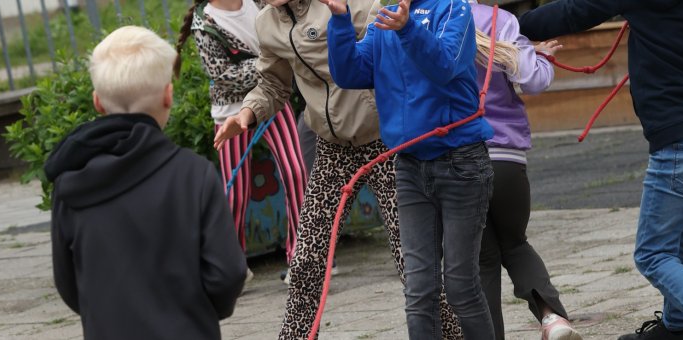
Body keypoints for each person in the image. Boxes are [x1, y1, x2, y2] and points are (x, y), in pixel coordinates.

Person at [213, 0, 464, 338]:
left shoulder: (353, 4)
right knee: (306, 261)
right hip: (332, 147)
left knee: (412, 261)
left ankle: (453, 334)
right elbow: (273, 83)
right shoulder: (267, 23)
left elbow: (392, 54)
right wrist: (247, 113)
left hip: (383, 141)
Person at [44, 26, 247, 340]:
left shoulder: (70, 181)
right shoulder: (194, 174)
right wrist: (199, 311)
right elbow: (228, 272)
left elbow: (68, 281)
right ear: (168, 95)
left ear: (98, 102)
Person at [325, 0, 496, 338]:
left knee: (461, 286)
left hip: (462, 163)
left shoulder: (454, 8)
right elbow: (350, 73)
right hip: (409, 166)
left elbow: (445, 64)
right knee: (418, 290)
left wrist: (407, 28)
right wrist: (340, 19)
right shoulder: (385, 16)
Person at [518, 1, 683, 339]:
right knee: (680, 241)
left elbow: (576, 10)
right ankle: (677, 327)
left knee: (654, 253)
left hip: (677, 139)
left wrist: (506, 25)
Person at [468, 2, 582, 340]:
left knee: (482, 259)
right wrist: (540, 58)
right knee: (516, 244)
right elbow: (532, 80)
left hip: (459, 158)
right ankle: (552, 318)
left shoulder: (425, 21)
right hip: (506, 155)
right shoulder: (498, 20)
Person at [174, 0, 308, 280]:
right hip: (231, 114)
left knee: (296, 171)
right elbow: (222, 76)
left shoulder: (260, 2)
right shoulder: (205, 23)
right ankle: (231, 265)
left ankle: (302, 257)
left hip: (273, 100)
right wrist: (271, 63)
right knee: (235, 193)